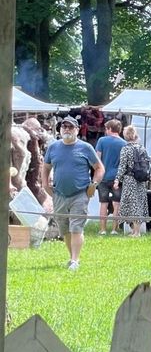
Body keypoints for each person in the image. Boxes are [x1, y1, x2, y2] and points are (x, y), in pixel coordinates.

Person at [42, 116, 103, 271]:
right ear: (61, 129)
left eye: (70, 127)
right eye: (64, 127)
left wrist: (94, 184)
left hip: (80, 193)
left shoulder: (85, 147)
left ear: (77, 130)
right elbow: (46, 167)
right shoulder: (53, 147)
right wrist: (44, 183)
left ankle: (75, 260)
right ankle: (72, 258)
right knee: (65, 230)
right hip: (59, 193)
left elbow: (99, 168)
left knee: (76, 227)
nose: (67, 130)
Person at [114, 125, 150, 237]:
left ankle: (136, 232)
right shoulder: (142, 148)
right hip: (141, 179)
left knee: (131, 204)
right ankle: (136, 230)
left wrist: (117, 179)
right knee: (139, 203)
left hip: (130, 179)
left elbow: (122, 166)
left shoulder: (125, 149)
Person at [95, 119, 126, 235]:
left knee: (103, 203)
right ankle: (114, 229)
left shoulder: (102, 141)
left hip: (103, 176)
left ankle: (102, 229)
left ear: (109, 129)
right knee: (116, 203)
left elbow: (97, 158)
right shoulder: (124, 143)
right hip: (117, 177)